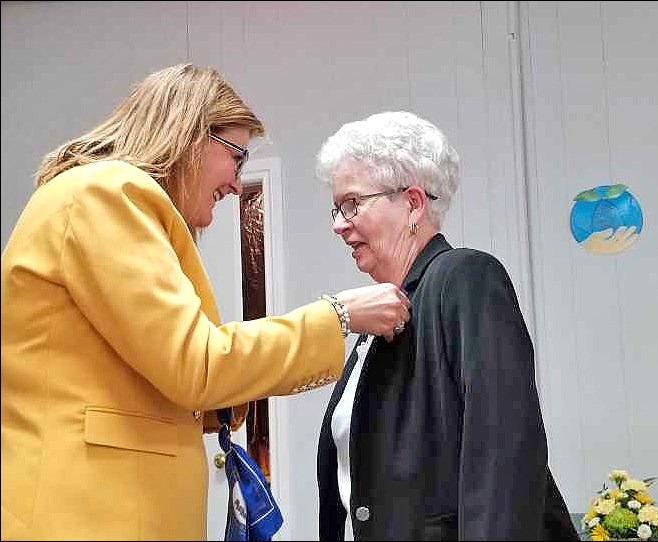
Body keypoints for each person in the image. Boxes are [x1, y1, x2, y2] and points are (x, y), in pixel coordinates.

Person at [0, 64, 411, 540]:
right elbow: (195, 364)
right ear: (189, 132)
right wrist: (338, 315)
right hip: (83, 518)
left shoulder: (102, 200)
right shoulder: (104, 195)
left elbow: (164, 375)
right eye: (236, 157)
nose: (237, 183)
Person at [315, 111, 579, 540]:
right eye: (337, 207)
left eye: (352, 203)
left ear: (414, 204)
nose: (338, 224)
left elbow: (503, 450)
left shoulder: (465, 277)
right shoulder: (381, 316)